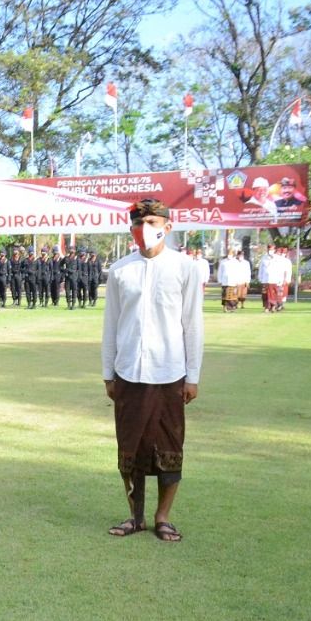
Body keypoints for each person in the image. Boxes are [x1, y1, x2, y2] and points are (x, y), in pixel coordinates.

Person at [103, 198, 203, 543]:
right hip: (128, 372)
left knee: (169, 445)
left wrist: (193, 376)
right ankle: (136, 517)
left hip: (170, 372)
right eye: (138, 222)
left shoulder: (184, 267)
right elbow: (111, 325)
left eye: (151, 221)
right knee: (130, 448)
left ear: (167, 226)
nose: (144, 229)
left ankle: (163, 517)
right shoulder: (120, 270)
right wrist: (108, 372)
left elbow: (192, 324)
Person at [217, 248, 242, 312]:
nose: (229, 255)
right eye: (228, 253)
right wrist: (220, 280)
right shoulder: (223, 262)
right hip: (225, 281)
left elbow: (238, 272)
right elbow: (220, 272)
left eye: (230, 254)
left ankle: (232, 307)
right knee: (225, 295)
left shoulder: (236, 262)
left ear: (233, 254)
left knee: (233, 295)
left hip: (233, 281)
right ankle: (225, 307)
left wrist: (238, 281)